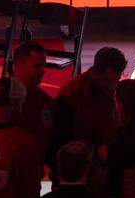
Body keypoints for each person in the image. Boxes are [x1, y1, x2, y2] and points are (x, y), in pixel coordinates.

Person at [51, 46, 127, 178]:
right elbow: (59, 144)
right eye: (108, 82)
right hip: (76, 171)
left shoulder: (113, 89)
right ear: (97, 72)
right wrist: (95, 153)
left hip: (103, 167)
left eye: (118, 78)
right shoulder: (71, 96)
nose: (112, 86)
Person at [11, 40, 56, 156]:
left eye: (43, 65)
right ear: (19, 65)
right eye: (37, 66)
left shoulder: (47, 102)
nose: (43, 71)